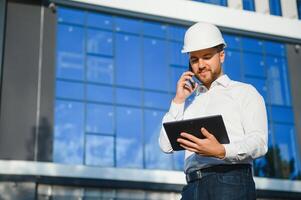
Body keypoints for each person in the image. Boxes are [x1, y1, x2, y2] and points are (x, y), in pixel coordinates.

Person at [159, 22, 268, 200]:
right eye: (194, 59)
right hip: (192, 187)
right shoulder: (190, 103)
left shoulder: (244, 92)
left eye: (207, 57)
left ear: (222, 55)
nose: (200, 65)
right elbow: (166, 145)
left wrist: (222, 151)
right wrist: (178, 100)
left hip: (230, 182)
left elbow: (259, 142)